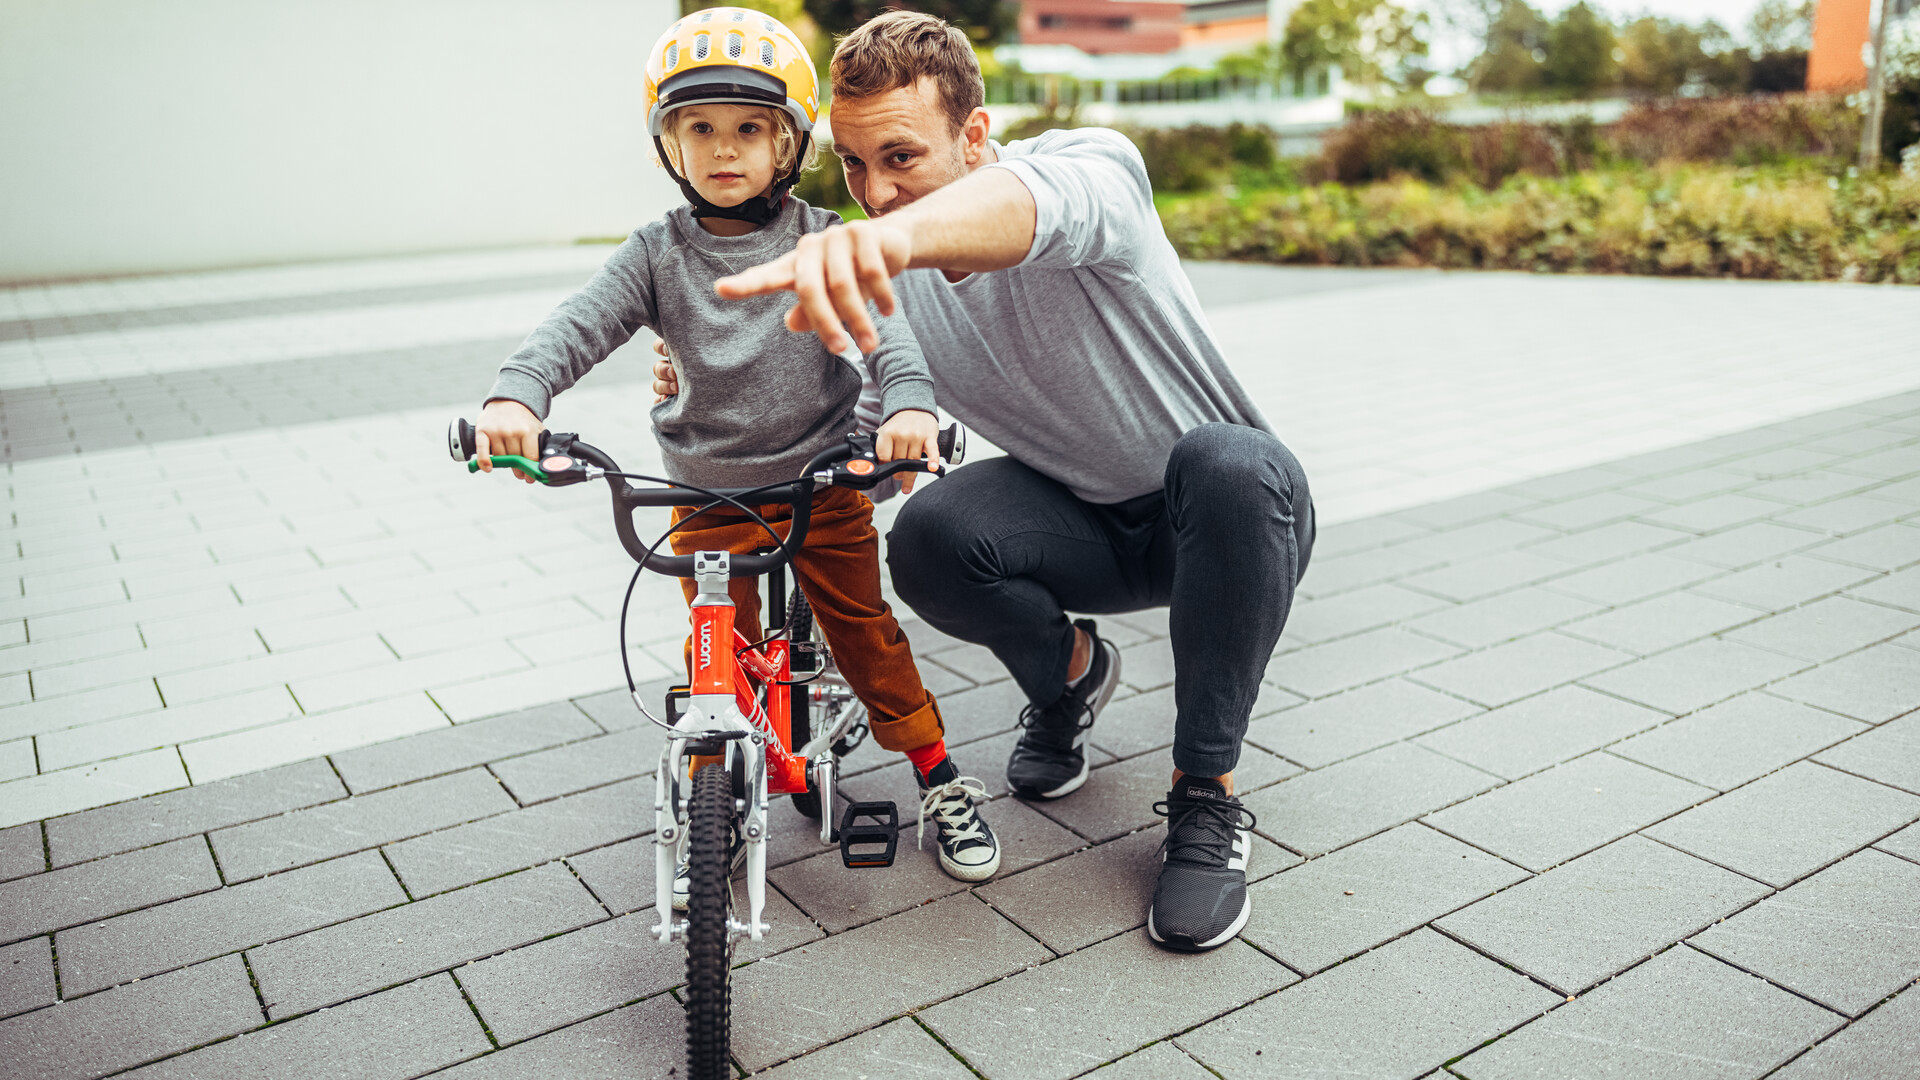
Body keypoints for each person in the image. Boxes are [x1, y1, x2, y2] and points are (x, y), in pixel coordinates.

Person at [657, 11, 1314, 951]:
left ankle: (1205, 796)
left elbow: (1032, 205)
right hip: (1078, 524)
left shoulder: (1089, 170)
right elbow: (859, 442)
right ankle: (1071, 679)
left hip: (1225, 520)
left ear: (973, 137)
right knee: (927, 534)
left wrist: (889, 240)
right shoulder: (894, 280)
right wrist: (708, 392)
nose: (876, 194)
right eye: (851, 166)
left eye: (901, 157)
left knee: (1229, 461)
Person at [470, 7, 1000, 887]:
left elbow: (887, 337)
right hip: (704, 499)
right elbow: (576, 327)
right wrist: (516, 394)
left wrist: (907, 407)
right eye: (700, 129)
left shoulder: (823, 238)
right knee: (720, 652)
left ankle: (938, 777)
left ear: (789, 142)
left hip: (819, 487)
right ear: (666, 147)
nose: (725, 150)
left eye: (750, 129)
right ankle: (726, 770)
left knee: (867, 636)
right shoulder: (653, 254)